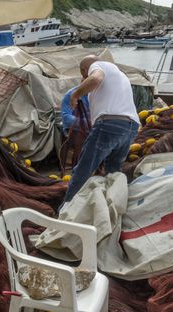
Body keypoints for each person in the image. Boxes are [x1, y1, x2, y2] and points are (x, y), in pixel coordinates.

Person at [63, 56, 140, 203]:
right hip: (131, 127)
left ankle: (65, 209)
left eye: (83, 74)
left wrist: (75, 95)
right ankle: (113, 204)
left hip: (110, 124)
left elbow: (95, 79)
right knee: (113, 172)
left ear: (85, 70)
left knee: (83, 169)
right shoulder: (120, 75)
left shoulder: (99, 66)